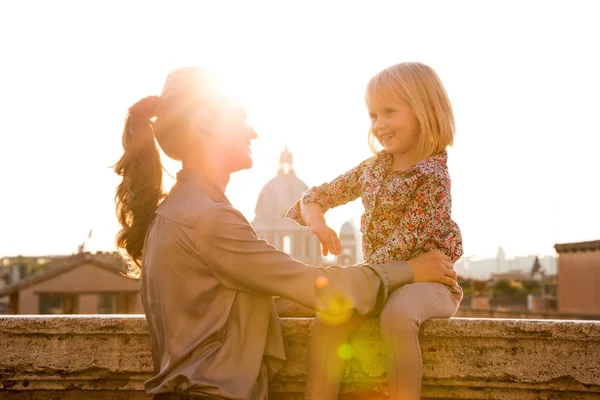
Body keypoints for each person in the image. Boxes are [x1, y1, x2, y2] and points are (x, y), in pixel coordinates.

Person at [113, 67, 458, 400]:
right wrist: (411, 270)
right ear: (207, 127)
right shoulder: (208, 221)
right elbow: (319, 291)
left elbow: (253, 303)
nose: (253, 133)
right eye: (240, 120)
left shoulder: (177, 212)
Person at [286, 62, 463, 400]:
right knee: (331, 317)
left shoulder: (432, 175)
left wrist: (352, 280)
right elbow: (315, 196)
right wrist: (319, 223)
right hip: (381, 281)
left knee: (398, 316)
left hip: (429, 283)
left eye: (389, 112)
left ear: (423, 111)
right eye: (373, 116)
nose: (379, 125)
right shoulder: (373, 168)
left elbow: (405, 242)